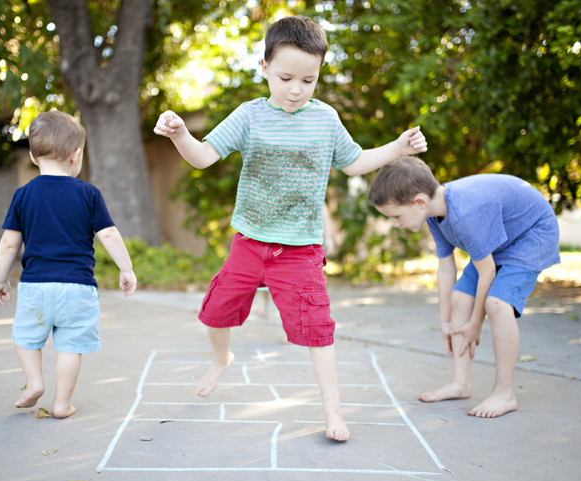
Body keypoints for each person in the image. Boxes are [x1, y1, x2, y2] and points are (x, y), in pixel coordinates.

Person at [154, 15, 427, 441]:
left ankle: (333, 413)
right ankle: (221, 359)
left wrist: (397, 147)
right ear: (263, 67)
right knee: (215, 311)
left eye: (308, 80)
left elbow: (353, 162)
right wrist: (179, 135)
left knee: (319, 330)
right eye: (285, 78)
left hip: (299, 249)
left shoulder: (325, 119)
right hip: (249, 241)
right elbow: (204, 156)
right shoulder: (249, 116)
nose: (296, 89)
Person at [368, 156, 560, 418]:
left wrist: (475, 323)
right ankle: (460, 383)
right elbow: (447, 267)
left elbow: (487, 271)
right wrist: (445, 322)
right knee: (459, 298)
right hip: (501, 240)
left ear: (419, 202)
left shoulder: (465, 213)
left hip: (532, 234)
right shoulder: (435, 214)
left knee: (497, 304)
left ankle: (505, 393)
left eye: (396, 216)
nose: (395, 223)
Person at [0, 110, 137, 419]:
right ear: (76, 155)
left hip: (35, 285)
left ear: (32, 156)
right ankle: (62, 403)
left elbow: (8, 243)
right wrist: (126, 268)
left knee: (27, 337)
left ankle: (33, 383)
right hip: (77, 287)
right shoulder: (88, 193)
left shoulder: (23, 194)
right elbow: (108, 233)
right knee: (70, 345)